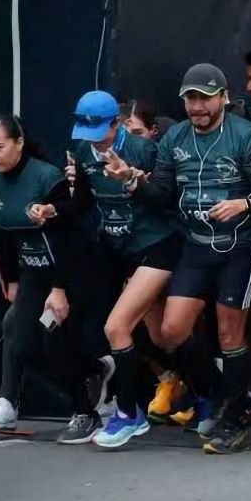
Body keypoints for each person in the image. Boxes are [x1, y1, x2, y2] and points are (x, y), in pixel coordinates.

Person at [103, 63, 251, 455]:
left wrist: (242, 203)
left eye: (204, 98)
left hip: (241, 243)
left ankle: (233, 422)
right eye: (190, 99)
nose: (196, 106)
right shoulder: (175, 138)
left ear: (223, 98)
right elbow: (162, 193)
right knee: (171, 330)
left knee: (232, 333)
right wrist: (132, 179)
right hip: (195, 243)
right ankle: (216, 394)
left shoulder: (245, 136)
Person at [0, 115, 105, 442]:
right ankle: (12, 403)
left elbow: (72, 238)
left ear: (19, 142)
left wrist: (60, 289)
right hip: (33, 273)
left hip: (69, 273)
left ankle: (84, 413)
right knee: (20, 338)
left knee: (53, 344)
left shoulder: (47, 178)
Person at [64, 91, 182, 448]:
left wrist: (131, 180)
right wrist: (53, 209)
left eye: (101, 129)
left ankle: (129, 415)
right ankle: (207, 393)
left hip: (158, 245)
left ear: (117, 124)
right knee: (163, 336)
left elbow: (166, 198)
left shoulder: (145, 151)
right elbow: (82, 204)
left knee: (117, 327)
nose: (94, 138)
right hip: (121, 251)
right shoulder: (83, 152)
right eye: (88, 130)